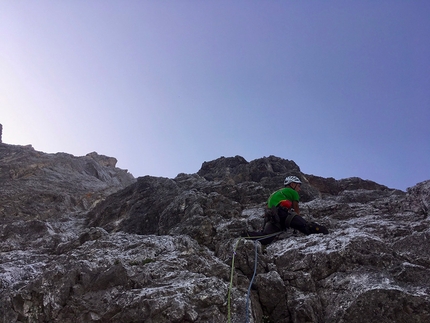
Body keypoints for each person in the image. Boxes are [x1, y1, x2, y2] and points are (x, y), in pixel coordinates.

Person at [242, 175, 328, 245]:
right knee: (306, 226)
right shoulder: (292, 192)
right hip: (282, 213)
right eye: (298, 186)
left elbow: (267, 208)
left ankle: (246, 235)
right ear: (292, 185)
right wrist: (297, 220)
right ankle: (324, 232)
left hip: (271, 217)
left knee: (266, 238)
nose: (299, 189)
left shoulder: (274, 194)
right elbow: (296, 207)